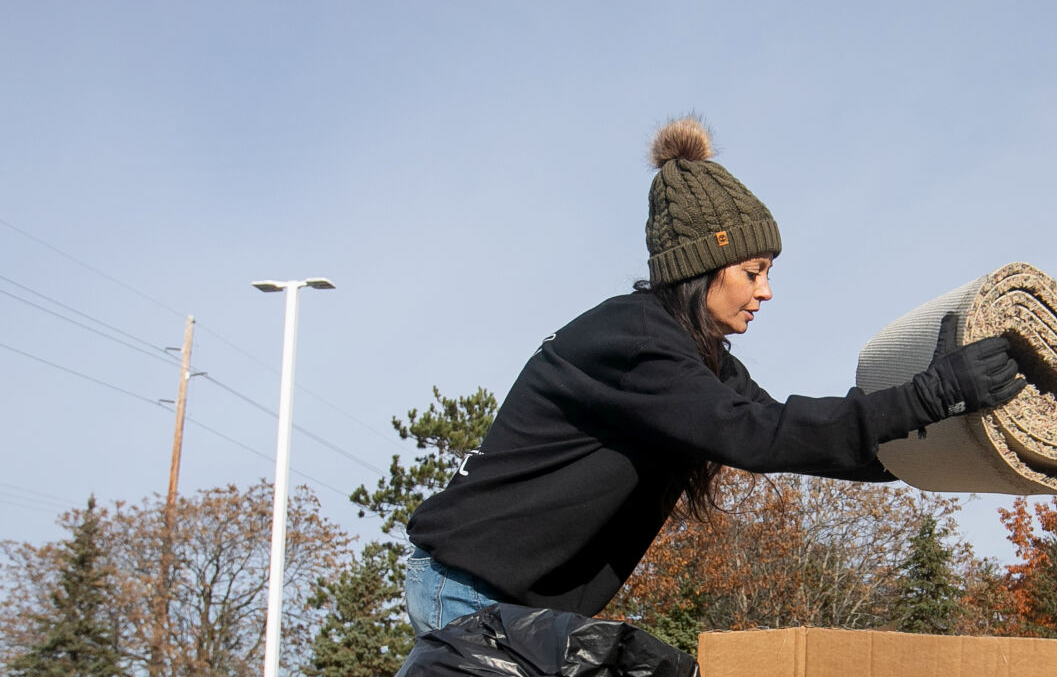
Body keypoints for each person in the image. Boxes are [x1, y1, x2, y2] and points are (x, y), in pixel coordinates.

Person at [403, 117, 1025, 635]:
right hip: (467, 591)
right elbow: (759, 436)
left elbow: (794, 436)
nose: (767, 291)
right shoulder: (634, 344)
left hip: (518, 603)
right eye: (753, 271)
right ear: (705, 267)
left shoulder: (699, 356)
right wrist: (934, 392)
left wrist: (940, 437)